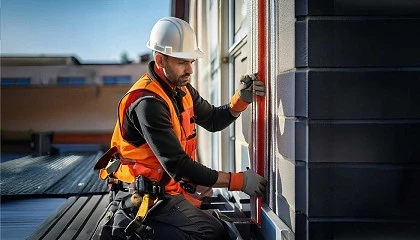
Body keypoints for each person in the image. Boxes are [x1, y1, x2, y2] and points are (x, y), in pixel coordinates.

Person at [97, 17, 267, 240]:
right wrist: (239, 181)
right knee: (210, 232)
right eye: (181, 62)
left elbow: (214, 119)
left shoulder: (181, 88)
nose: (190, 70)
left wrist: (241, 99)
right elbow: (178, 165)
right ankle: (129, 231)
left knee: (208, 208)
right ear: (160, 60)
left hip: (168, 188)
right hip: (143, 195)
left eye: (191, 62)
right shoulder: (147, 102)